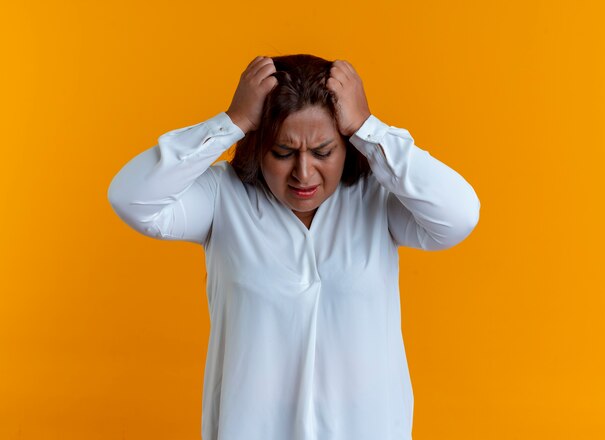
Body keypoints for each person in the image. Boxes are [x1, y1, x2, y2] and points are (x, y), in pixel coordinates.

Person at [107, 54, 481, 440]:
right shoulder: (222, 197)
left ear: (346, 147)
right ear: (258, 146)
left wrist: (367, 128)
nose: (304, 173)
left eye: (322, 152)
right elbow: (130, 197)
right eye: (283, 153)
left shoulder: (377, 198)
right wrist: (231, 123)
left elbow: (459, 215)